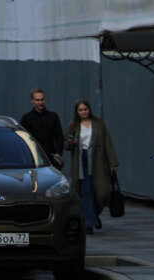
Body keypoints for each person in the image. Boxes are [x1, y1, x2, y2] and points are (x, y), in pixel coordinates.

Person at [64, 98, 119, 234]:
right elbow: (66, 144)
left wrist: (113, 161)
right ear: (77, 112)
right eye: (80, 110)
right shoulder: (73, 126)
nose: (83, 112)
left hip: (97, 160)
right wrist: (72, 142)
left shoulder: (98, 124)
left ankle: (94, 215)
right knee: (85, 191)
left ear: (89, 110)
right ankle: (89, 223)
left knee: (101, 192)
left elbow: (107, 142)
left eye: (85, 109)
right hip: (81, 159)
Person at [20, 88, 65, 167]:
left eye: (42, 100)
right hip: (34, 157)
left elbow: (59, 136)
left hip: (51, 157)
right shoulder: (26, 118)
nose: (40, 102)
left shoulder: (53, 116)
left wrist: (58, 154)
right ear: (32, 101)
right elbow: (23, 139)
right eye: (37, 100)